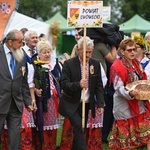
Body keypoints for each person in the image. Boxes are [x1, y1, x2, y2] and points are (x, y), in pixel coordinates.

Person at [58, 36, 105, 150]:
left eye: (90, 52)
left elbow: (98, 85)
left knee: (80, 128)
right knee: (79, 125)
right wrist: (78, 85)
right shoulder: (69, 64)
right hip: (71, 102)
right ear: (78, 50)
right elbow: (64, 84)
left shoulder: (95, 64)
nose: (88, 55)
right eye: (85, 52)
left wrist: (100, 103)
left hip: (86, 102)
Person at [109, 38, 150, 149]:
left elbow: (142, 80)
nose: (133, 52)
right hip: (124, 107)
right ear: (122, 52)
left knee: (147, 132)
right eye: (129, 50)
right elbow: (118, 89)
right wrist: (131, 93)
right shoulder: (116, 67)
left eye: (134, 49)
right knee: (125, 142)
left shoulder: (136, 63)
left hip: (139, 104)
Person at [0, 29, 34, 150]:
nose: (22, 45)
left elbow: (23, 82)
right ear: (10, 42)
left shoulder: (21, 55)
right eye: (20, 42)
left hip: (15, 103)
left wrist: (28, 102)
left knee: (15, 137)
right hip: (1, 101)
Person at [32, 40, 61, 150]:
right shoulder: (35, 66)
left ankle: (51, 146)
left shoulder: (54, 64)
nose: (47, 54)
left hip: (54, 100)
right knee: (43, 125)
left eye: (49, 52)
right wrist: (35, 89)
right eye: (44, 52)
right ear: (39, 53)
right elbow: (30, 82)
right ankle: (43, 146)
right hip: (43, 101)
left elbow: (60, 78)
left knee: (53, 126)